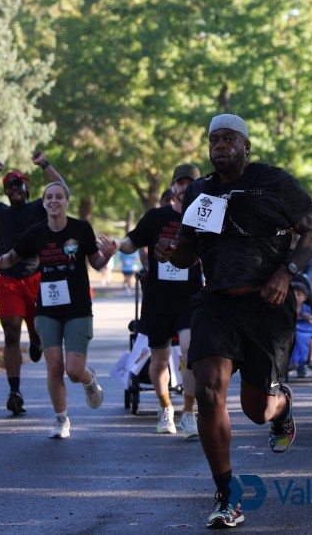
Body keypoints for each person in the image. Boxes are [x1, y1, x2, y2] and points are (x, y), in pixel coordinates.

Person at [154, 114, 312, 529]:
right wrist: (171, 251)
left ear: (245, 146)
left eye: (229, 139)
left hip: (268, 303)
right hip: (216, 303)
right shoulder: (200, 191)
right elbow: (189, 252)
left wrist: (286, 272)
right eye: (214, 140)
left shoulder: (274, 182)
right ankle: (227, 495)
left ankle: (282, 407)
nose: (220, 146)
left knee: (257, 409)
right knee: (209, 391)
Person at [0, 181, 116, 439]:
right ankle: (61, 419)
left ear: (67, 202)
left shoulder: (81, 228)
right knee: (54, 366)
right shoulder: (36, 232)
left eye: (59, 197)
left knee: (74, 370)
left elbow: (96, 262)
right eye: (49, 197)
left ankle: (89, 380)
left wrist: (108, 254)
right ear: (44, 202)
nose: (54, 201)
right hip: (47, 308)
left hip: (78, 307)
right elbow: (14, 256)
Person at [0, 150, 64, 416]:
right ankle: (14, 391)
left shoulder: (39, 208)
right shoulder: (0, 212)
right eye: (9, 185)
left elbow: (61, 190)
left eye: (18, 184)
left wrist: (45, 164)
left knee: (38, 329)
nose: (14, 188)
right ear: (6, 191)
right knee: (11, 331)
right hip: (8, 278)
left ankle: (36, 341)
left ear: (27, 189)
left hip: (37, 277)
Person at [109, 163, 204, 438]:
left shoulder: (203, 219)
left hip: (189, 298)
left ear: (198, 188)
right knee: (159, 361)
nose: (184, 187)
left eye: (190, 183)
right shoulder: (155, 217)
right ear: (173, 187)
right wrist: (116, 245)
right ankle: (165, 408)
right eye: (180, 182)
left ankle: (189, 412)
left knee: (189, 352)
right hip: (158, 301)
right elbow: (131, 243)